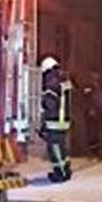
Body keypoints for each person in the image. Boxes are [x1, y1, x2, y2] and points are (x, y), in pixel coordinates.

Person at [40, 55, 73, 183]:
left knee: (55, 149)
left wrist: (44, 105)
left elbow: (50, 102)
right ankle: (65, 170)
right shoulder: (63, 79)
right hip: (63, 120)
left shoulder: (51, 79)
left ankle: (60, 173)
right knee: (62, 147)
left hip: (54, 121)